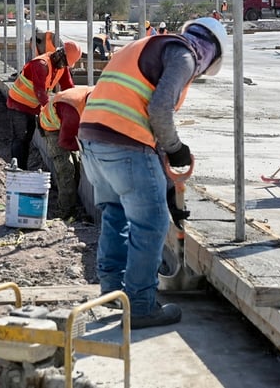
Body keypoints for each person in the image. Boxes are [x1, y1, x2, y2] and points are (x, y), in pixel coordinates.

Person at [78, 16, 227, 329]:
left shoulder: (143, 46)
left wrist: (167, 186)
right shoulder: (185, 55)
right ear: (210, 52)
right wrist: (176, 147)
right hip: (125, 144)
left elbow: (139, 109)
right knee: (151, 223)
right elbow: (158, 110)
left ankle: (113, 291)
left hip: (92, 140)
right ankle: (142, 306)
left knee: (116, 213)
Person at [6, 40, 82, 170]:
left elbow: (68, 88)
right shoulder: (41, 64)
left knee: (28, 137)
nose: (65, 66)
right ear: (60, 54)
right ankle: (17, 170)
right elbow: (40, 92)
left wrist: (75, 107)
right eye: (65, 62)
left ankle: (22, 169)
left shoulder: (61, 67)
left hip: (32, 107)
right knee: (20, 138)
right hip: (18, 104)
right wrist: (50, 113)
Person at [38, 85, 94, 220]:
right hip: (52, 128)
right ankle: (64, 212)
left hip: (67, 123)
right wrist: (87, 148)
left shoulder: (98, 94)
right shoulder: (72, 111)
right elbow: (65, 142)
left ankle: (72, 203)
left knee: (77, 165)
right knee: (66, 169)